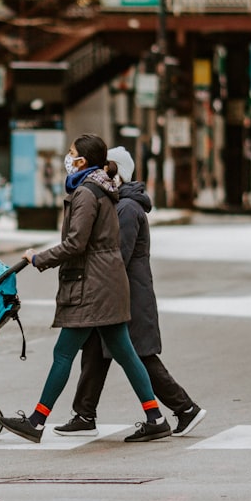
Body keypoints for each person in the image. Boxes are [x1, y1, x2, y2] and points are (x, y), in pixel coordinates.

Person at [0, 134, 172, 443]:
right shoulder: (103, 189)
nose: (68, 157)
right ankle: (155, 417)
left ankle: (37, 421)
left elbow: (77, 242)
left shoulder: (87, 193)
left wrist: (40, 258)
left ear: (82, 161)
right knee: (126, 353)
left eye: (72, 153)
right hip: (107, 282)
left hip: (92, 285)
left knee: (63, 352)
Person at [53, 146, 207, 438]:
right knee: (96, 352)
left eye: (105, 168)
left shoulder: (126, 209)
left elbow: (114, 258)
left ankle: (185, 408)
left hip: (127, 297)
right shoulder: (119, 204)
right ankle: (84, 415)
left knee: (139, 356)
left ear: (117, 171)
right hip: (117, 294)